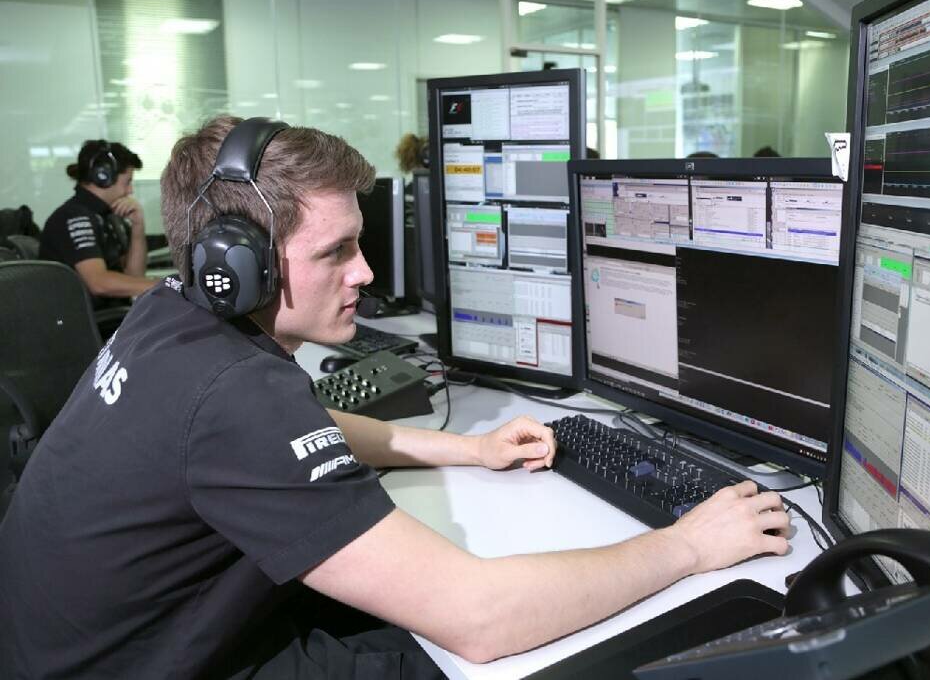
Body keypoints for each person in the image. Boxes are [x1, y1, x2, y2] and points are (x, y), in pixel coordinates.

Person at [0, 116, 790, 679]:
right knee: (450, 657)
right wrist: (690, 545)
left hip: (82, 646)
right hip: (151, 662)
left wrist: (469, 448)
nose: (366, 273)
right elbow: (479, 619)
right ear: (236, 266)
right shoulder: (236, 393)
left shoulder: (166, 316)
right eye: (336, 251)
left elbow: (300, 426)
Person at [39, 139, 156, 313]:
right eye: (127, 182)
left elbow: (134, 277)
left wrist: (138, 226)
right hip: (89, 326)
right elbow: (98, 283)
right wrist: (167, 285)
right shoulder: (74, 217)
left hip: (114, 316)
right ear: (103, 176)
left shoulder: (106, 216)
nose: (130, 190)